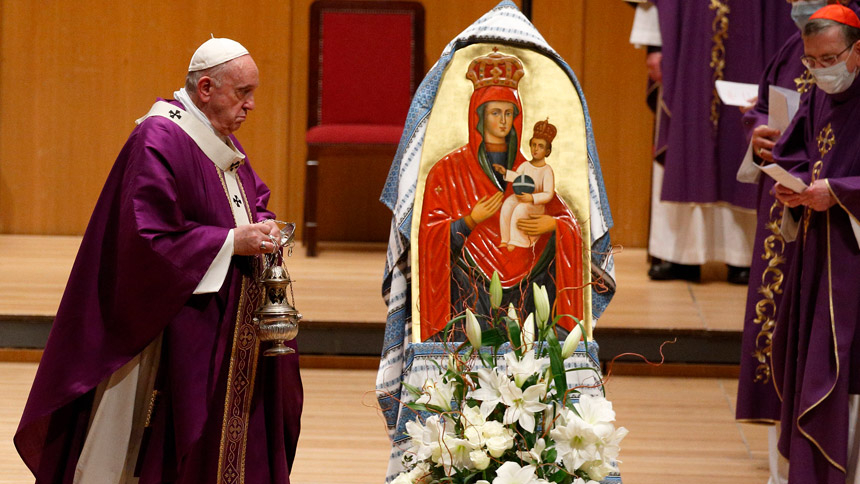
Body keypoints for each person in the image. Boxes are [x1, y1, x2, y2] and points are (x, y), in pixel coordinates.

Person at [14, 38, 303, 483]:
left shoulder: (213, 135)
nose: (251, 105)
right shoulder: (161, 136)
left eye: (252, 93)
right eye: (242, 92)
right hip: (171, 328)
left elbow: (250, 196)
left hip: (226, 319)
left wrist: (262, 225)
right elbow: (146, 237)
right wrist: (229, 241)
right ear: (205, 88)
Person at [735, 2, 860, 484]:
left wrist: (841, 193)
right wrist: (789, 183)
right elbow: (792, 142)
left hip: (851, 258)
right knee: (804, 355)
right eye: (814, 63)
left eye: (830, 61)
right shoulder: (814, 79)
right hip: (815, 248)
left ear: (856, 51)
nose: (821, 72)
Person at [417, 49, 584, 341]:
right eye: (496, 113)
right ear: (479, 116)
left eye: (509, 113)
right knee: (463, 273)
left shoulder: (529, 168)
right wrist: (469, 221)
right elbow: (430, 238)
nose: (503, 121)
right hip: (471, 286)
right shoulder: (446, 171)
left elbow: (567, 222)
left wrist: (555, 226)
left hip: (526, 283)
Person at [629, 0, 795, 284]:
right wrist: (654, 45)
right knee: (688, 139)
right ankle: (680, 254)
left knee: (748, 133)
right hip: (688, 41)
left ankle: (742, 255)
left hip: (756, 33)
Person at [494, 119, 557, 251]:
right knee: (508, 204)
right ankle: (505, 239)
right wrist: (505, 172)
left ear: (547, 151)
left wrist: (532, 198)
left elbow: (548, 194)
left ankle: (518, 241)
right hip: (521, 197)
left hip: (535, 205)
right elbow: (518, 178)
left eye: (540, 146)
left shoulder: (547, 171)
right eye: (534, 145)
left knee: (520, 209)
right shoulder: (525, 166)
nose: (535, 149)